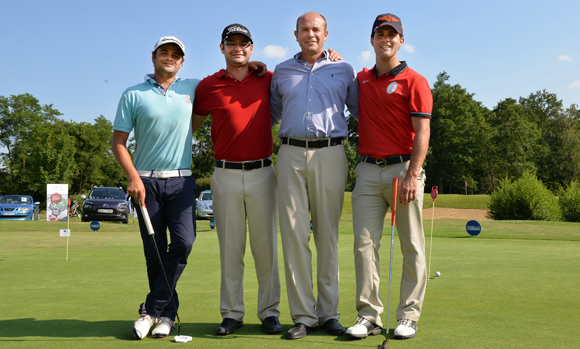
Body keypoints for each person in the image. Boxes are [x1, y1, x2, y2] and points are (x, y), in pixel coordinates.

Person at [270, 11, 358, 340]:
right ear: (296, 35)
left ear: (326, 34)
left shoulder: (344, 69)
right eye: (305, 29)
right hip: (290, 153)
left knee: (327, 237)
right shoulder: (280, 71)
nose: (311, 34)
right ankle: (304, 316)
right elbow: (269, 113)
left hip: (331, 152)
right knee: (294, 237)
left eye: (316, 29)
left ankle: (329, 314)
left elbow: (363, 110)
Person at [191, 23, 282, 336]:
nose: (238, 48)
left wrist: (330, 54)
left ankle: (269, 313)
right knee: (230, 249)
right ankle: (232, 314)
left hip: (263, 173)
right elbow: (188, 126)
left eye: (244, 43)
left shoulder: (268, 80)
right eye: (232, 43)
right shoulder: (208, 86)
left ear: (252, 48)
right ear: (222, 48)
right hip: (225, 173)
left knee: (265, 248)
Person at [345, 13, 432, 341]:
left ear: (400, 40)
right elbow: (334, 80)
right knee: (365, 246)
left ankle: (408, 316)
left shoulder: (415, 81)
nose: (385, 39)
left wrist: (413, 173)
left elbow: (422, 131)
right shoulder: (361, 80)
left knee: (412, 245)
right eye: (380, 34)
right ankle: (368, 316)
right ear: (372, 40)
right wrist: (332, 57)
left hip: (402, 170)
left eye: (391, 34)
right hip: (367, 170)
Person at [112, 36, 199, 340]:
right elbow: (118, 143)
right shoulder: (133, 94)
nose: (170, 57)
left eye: (176, 54)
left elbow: (226, 79)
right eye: (165, 52)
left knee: (184, 242)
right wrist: (133, 177)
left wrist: (254, 65)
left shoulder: (192, 88)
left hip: (181, 180)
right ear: (154, 57)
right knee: (154, 251)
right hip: (145, 181)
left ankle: (150, 308)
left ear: (182, 61)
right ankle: (167, 316)